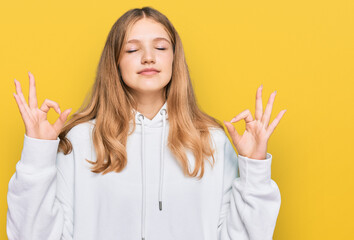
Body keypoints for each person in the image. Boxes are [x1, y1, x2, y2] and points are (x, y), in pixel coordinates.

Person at [7, 6, 286, 240]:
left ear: (175, 58)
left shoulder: (212, 141)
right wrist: (38, 154)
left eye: (161, 47)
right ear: (115, 62)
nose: (148, 57)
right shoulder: (80, 141)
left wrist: (255, 167)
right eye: (132, 50)